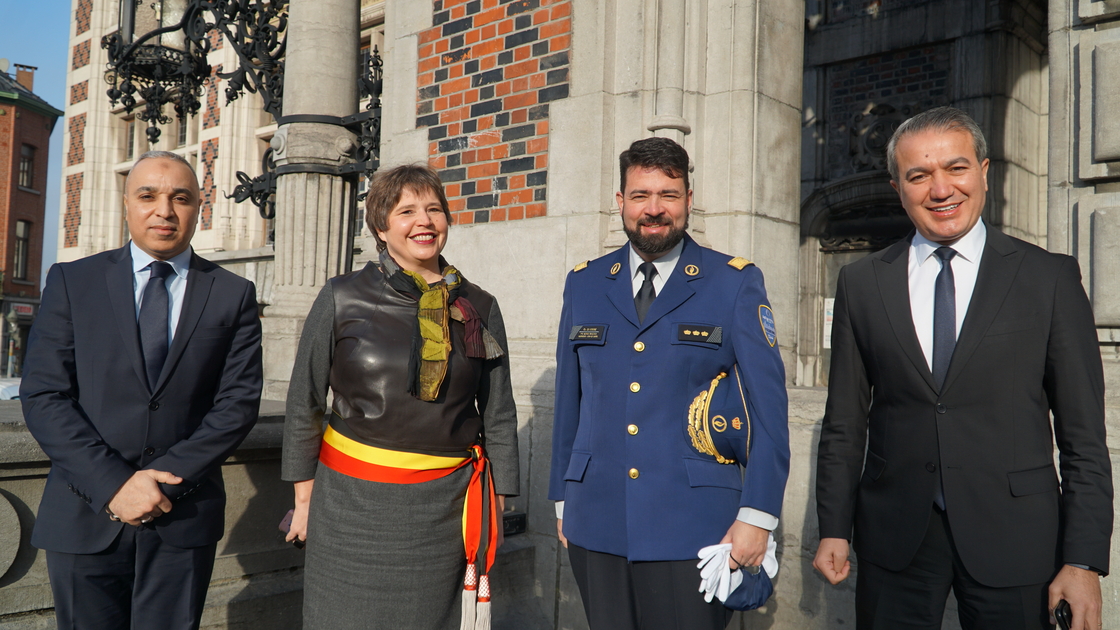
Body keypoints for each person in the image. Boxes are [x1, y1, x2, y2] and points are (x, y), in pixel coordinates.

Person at [813, 107, 1113, 630]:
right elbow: (844, 423)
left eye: (956, 168)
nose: (940, 189)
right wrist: (834, 527)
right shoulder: (862, 284)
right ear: (897, 187)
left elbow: (1084, 437)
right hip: (895, 542)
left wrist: (1083, 560)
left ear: (984, 171)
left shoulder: (1049, 279)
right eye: (918, 175)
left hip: (1018, 541)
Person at [548, 136, 790, 630]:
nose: (654, 209)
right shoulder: (586, 282)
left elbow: (770, 412)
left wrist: (758, 516)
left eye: (668, 195)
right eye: (640, 195)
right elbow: (570, 402)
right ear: (620, 202)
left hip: (697, 527)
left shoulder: (733, 282)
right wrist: (561, 497)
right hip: (597, 517)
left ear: (688, 201)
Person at [21, 151, 264, 630]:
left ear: (199, 206)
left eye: (181, 198)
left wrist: (158, 482)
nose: (164, 211)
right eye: (148, 196)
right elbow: (45, 395)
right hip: (84, 512)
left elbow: (235, 406)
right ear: (127, 204)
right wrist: (115, 484)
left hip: (182, 518)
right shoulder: (73, 280)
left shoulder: (232, 293)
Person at [282, 164, 519, 630]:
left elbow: (498, 412)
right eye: (407, 210)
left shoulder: (479, 305)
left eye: (434, 209)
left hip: (446, 509)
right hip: (351, 508)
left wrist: (501, 499)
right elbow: (302, 401)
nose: (424, 221)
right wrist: (304, 499)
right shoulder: (340, 297)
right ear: (380, 226)